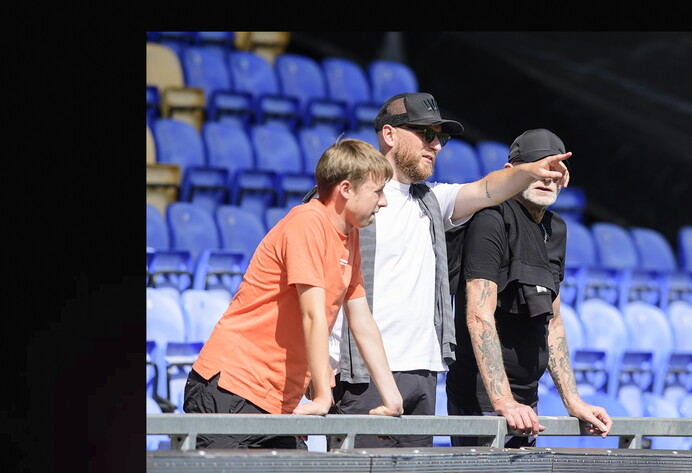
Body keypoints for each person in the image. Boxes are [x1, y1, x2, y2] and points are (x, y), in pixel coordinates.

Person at [303, 92, 571, 448]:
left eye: (440, 137)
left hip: (424, 375)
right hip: (363, 376)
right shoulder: (348, 203)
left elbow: (490, 189)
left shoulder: (432, 199)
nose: (437, 145)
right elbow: (314, 297)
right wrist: (317, 372)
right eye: (426, 134)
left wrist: (532, 170)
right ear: (389, 134)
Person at [181, 138, 404, 450]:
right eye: (377, 192)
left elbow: (362, 322)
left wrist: (391, 398)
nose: (384, 202)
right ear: (345, 189)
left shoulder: (349, 237)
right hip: (231, 388)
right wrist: (324, 398)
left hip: (275, 399)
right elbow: (312, 314)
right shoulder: (307, 222)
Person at [444, 129, 612, 447]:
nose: (546, 178)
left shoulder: (556, 229)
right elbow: (479, 315)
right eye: (537, 168)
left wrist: (573, 401)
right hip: (485, 401)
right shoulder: (491, 219)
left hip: (525, 402)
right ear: (512, 173)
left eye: (554, 171)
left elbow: (553, 322)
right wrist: (504, 402)